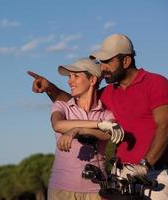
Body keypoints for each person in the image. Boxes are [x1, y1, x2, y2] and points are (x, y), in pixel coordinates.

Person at [27, 33, 168, 200]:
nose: (102, 67)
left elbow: (166, 127)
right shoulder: (108, 92)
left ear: (126, 61)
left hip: (152, 175)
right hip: (119, 177)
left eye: (107, 62)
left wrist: (143, 166)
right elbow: (75, 101)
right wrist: (50, 88)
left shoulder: (156, 83)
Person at [46, 57, 124, 200]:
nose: (70, 81)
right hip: (61, 191)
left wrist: (78, 130)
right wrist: (97, 124)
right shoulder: (61, 106)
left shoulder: (107, 114)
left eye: (76, 76)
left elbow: (108, 134)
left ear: (92, 80)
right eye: (69, 77)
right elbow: (58, 125)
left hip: (96, 191)